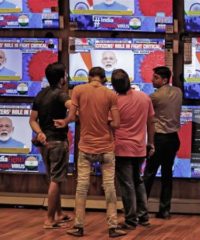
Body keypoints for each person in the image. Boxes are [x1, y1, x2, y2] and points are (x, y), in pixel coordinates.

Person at [54, 67, 126, 238]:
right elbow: (116, 123)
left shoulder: (78, 90)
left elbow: (71, 117)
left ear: (89, 77)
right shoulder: (110, 95)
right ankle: (113, 227)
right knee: (109, 187)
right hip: (106, 147)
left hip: (85, 147)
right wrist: (106, 120)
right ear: (103, 78)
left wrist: (64, 122)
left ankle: (78, 226)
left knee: (81, 187)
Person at [29, 63, 72, 229]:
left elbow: (32, 120)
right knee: (56, 180)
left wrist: (39, 132)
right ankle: (49, 219)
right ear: (62, 78)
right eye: (65, 75)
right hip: (58, 143)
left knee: (53, 179)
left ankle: (59, 214)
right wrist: (68, 119)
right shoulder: (61, 95)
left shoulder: (40, 94)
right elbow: (73, 107)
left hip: (44, 143)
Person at [111, 69, 155, 230]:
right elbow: (151, 122)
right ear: (129, 81)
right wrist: (151, 143)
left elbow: (110, 125)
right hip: (140, 148)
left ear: (114, 86)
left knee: (127, 185)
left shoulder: (114, 102)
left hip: (121, 148)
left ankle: (130, 220)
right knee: (138, 181)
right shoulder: (144, 97)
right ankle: (143, 216)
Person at [143, 66, 182, 219]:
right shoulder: (178, 92)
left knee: (149, 174)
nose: (152, 80)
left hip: (159, 139)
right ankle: (165, 210)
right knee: (167, 175)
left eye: (156, 77)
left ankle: (141, 209)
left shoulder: (155, 97)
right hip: (174, 139)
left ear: (164, 80)